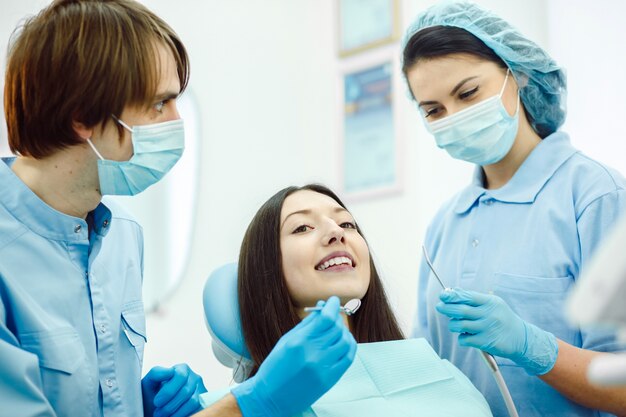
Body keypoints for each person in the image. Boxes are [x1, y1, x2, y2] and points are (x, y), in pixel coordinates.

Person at [0, 2, 357, 417]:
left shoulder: (122, 235)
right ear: (82, 117)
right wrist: (254, 403)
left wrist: (131, 404)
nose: (175, 121)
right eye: (159, 104)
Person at [401, 1, 626, 416]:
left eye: (468, 93)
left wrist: (531, 346)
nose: (454, 117)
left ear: (517, 73)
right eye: (433, 110)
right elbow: (428, 373)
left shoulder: (598, 198)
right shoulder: (444, 224)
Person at [195, 184, 493, 416]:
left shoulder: (442, 375)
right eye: (302, 228)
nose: (335, 232)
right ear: (266, 269)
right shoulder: (233, 409)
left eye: (347, 224)